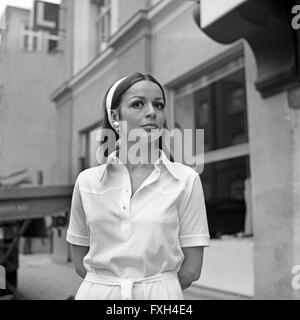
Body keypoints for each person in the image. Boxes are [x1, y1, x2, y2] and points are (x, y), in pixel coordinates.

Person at [66, 73, 210, 300]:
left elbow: (192, 269)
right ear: (115, 117)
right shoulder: (87, 182)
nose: (152, 111)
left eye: (159, 105)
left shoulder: (186, 180)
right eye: (138, 104)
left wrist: (153, 291)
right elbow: (79, 261)